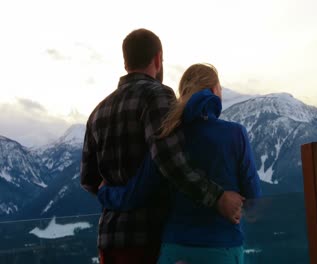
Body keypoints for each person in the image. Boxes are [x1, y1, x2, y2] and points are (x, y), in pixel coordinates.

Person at [80, 29, 245, 264]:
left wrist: (113, 193)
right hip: (148, 238)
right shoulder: (157, 96)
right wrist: (218, 197)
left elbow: (88, 179)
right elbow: (170, 161)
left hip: (110, 241)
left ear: (126, 62)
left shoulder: (98, 111)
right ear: (158, 59)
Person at [99, 63, 262, 264]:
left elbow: (136, 193)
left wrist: (105, 192)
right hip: (222, 248)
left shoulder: (167, 135)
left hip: (174, 250)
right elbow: (253, 195)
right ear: (213, 91)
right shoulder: (235, 133)